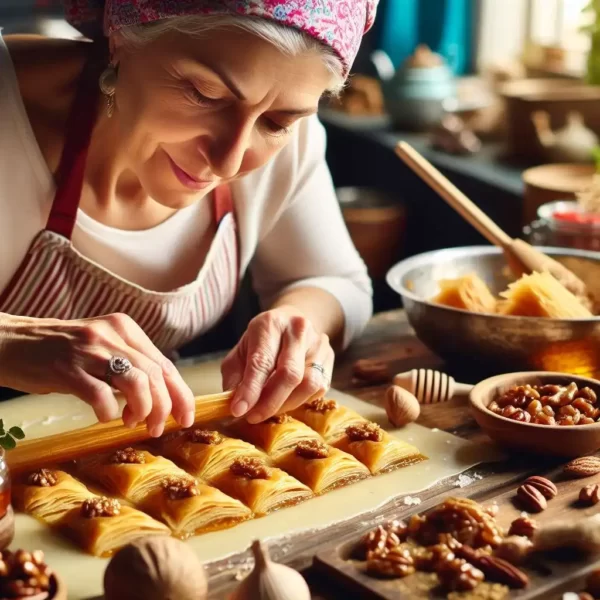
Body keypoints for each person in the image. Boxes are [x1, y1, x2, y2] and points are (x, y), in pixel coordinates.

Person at [0, 0, 376, 437]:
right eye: (204, 94)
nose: (228, 161)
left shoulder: (289, 141)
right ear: (121, 39)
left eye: (275, 122)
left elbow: (337, 281)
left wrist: (299, 322)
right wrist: (10, 341)